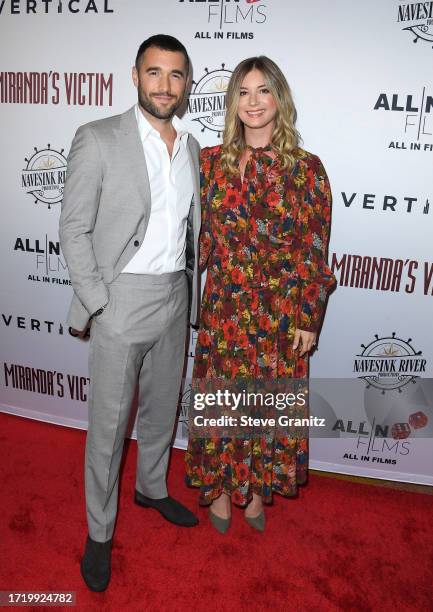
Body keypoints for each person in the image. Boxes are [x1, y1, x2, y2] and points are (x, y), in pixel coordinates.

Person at [59, 35, 201, 591]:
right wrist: (100, 301)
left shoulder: (191, 146)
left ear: (187, 83)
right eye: (154, 73)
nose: (164, 85)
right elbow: (73, 228)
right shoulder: (97, 139)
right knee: (109, 427)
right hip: (121, 299)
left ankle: (152, 488)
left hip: (175, 296)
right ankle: (99, 532)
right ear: (135, 76)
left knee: (163, 407)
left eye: (175, 75)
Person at [185, 56, 336, 533]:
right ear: (233, 102)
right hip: (224, 305)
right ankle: (224, 487)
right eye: (244, 92)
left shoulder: (307, 170)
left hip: (280, 311)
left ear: (279, 99)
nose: (253, 102)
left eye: (263, 90)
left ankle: (255, 489)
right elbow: (195, 237)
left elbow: (316, 247)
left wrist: (310, 317)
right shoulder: (210, 162)